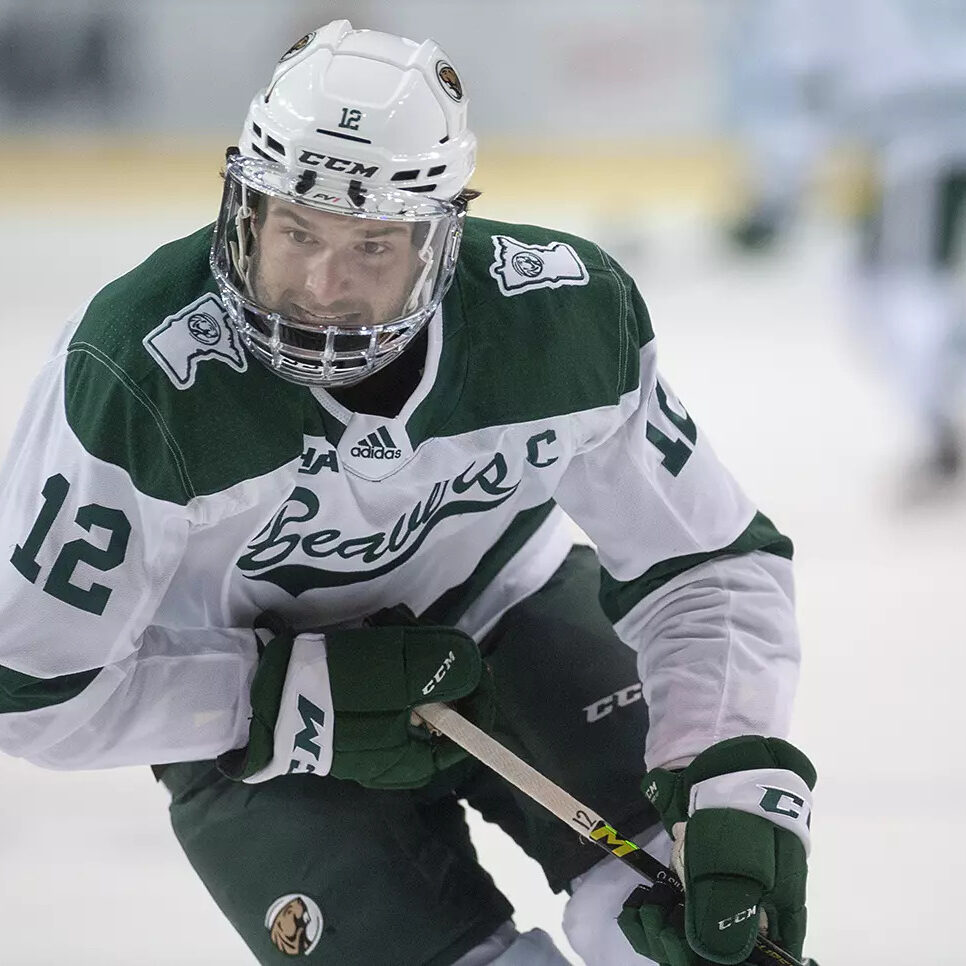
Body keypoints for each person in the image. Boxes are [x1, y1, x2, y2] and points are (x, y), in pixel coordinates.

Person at [0, 20, 815, 966]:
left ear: (439, 240)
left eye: (372, 247)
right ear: (246, 209)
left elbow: (706, 560)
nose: (319, 284)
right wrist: (270, 701)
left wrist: (732, 769)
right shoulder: (137, 379)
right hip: (251, 713)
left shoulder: (559, 320)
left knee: (691, 933)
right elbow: (29, 685)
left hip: (511, 616)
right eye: (295, 231)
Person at [726, 0, 966, 500]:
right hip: (920, 135)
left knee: (897, 291)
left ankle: (936, 431)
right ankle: (936, 426)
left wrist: (777, 197)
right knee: (878, 287)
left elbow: (805, 83)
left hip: (923, 138)